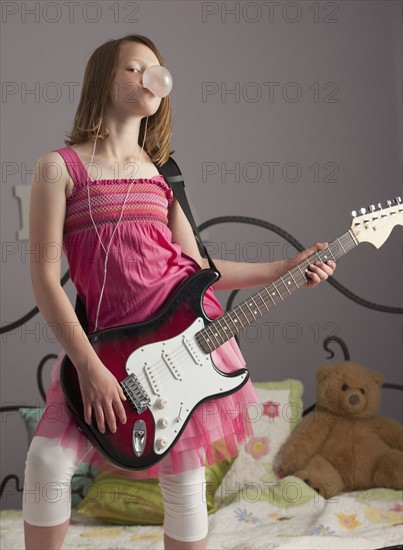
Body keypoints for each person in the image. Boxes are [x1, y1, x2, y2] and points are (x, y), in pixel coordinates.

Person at [23, 34, 336, 550]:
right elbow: (43, 278)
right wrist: (89, 367)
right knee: (46, 461)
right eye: (133, 67)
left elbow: (198, 270)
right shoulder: (58, 168)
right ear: (104, 78)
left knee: (185, 480)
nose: (150, 75)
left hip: (184, 346)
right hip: (103, 355)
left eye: (156, 67)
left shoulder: (165, 175)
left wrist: (285, 266)